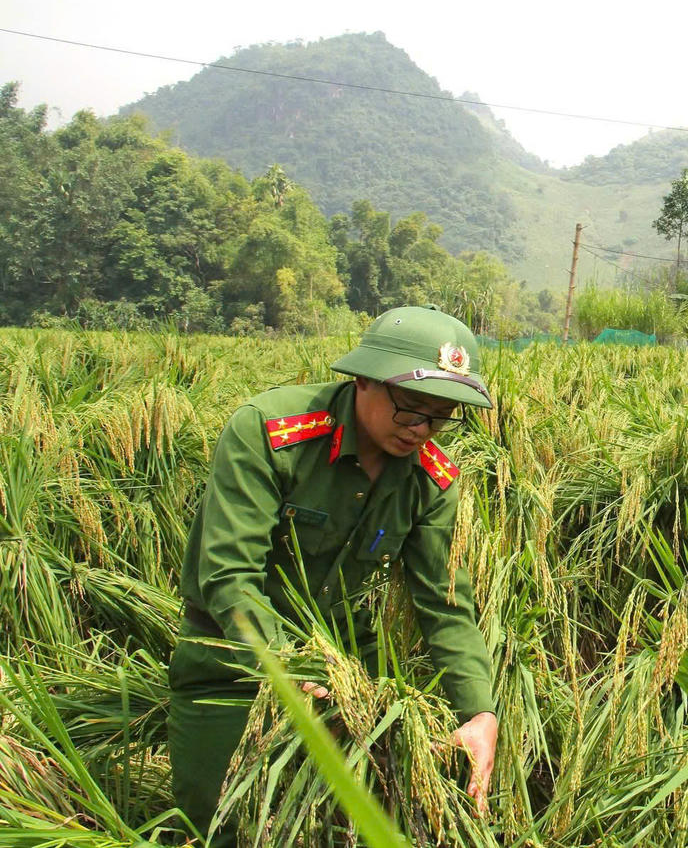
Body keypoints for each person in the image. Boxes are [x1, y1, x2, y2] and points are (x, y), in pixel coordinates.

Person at [168, 306, 498, 844]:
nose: (421, 430)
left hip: (346, 683)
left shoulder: (432, 482)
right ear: (364, 378)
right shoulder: (271, 433)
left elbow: (445, 604)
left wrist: (478, 711)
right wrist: (288, 664)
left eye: (440, 417)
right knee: (220, 827)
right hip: (233, 669)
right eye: (410, 408)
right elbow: (228, 575)